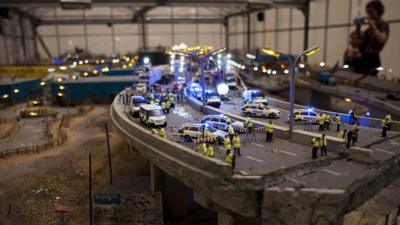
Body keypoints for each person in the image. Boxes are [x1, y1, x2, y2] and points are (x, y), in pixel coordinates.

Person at [355, 0, 390, 76]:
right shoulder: (371, 28)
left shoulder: (383, 24)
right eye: (368, 12)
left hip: (372, 59)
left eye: (371, 12)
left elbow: (382, 39)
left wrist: (372, 25)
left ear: (378, 11)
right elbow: (359, 41)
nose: (369, 15)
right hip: (364, 58)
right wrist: (358, 28)